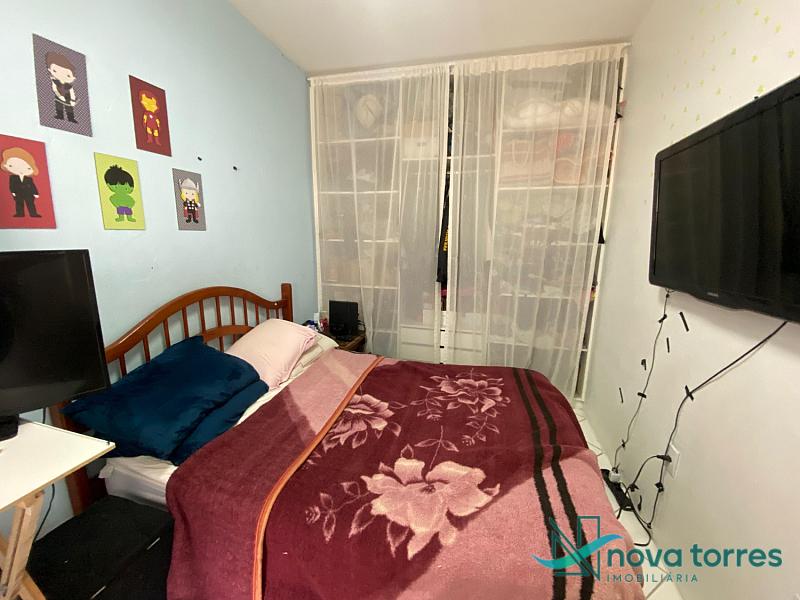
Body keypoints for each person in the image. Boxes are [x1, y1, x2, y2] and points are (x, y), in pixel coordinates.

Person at [1, 147, 41, 218]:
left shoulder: (29, 179)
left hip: (29, 193)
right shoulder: (13, 177)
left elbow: (32, 186)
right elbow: (11, 185)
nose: (20, 169)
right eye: (11, 165)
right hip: (18, 193)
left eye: (27, 168)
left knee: (30, 203)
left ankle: (33, 214)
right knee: (19, 203)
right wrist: (13, 192)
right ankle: (20, 213)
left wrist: (35, 193)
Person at [46, 52, 78, 123]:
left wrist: (73, 100)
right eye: (55, 71)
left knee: (69, 108)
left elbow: (72, 93)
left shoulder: (68, 85)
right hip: (59, 96)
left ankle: (71, 118)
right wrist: (60, 96)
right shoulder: (55, 82)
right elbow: (54, 89)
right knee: (58, 106)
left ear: (73, 78)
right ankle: (60, 115)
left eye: (68, 75)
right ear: (50, 70)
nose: (61, 75)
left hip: (67, 97)